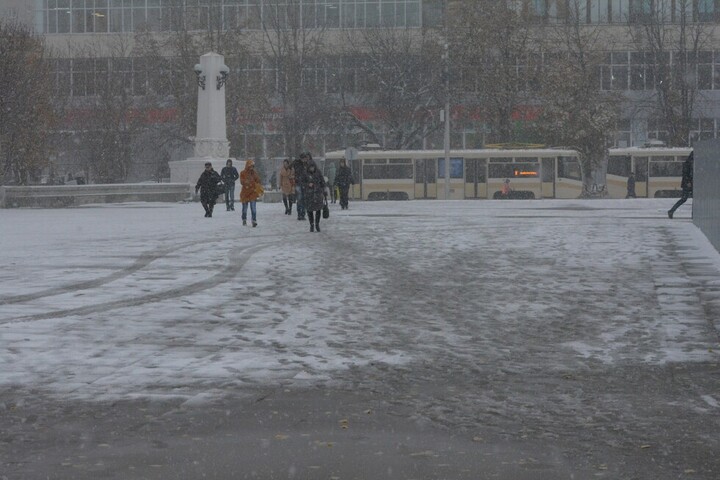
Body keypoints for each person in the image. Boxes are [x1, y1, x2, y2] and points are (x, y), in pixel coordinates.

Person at [303, 160, 327, 232]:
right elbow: (302, 183)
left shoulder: (318, 173)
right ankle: (311, 224)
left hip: (318, 194)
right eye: (310, 167)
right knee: (309, 210)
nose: (312, 169)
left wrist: (324, 190)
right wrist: (307, 185)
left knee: (318, 209)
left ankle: (317, 224)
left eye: (313, 167)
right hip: (309, 194)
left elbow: (322, 182)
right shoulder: (306, 174)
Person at [668, 151, 693, 219]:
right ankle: (671, 211)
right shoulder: (688, 163)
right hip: (688, 184)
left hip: (691, 183)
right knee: (684, 199)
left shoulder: (689, 163)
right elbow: (685, 174)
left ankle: (671, 211)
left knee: (684, 199)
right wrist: (688, 182)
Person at [240, 159, 262, 227]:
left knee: (253, 208)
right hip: (245, 193)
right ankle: (244, 219)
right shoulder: (243, 173)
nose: (251, 168)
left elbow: (258, 180)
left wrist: (254, 178)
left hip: (253, 192)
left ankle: (254, 220)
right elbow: (242, 181)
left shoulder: (254, 173)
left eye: (252, 166)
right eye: (250, 166)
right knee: (244, 209)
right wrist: (247, 182)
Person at [292, 152, 310, 220]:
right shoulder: (298, 164)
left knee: (303, 199)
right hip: (299, 183)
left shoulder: (306, 165)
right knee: (300, 199)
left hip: (303, 184)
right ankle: (300, 214)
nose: (305, 160)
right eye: (304, 158)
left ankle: (302, 213)